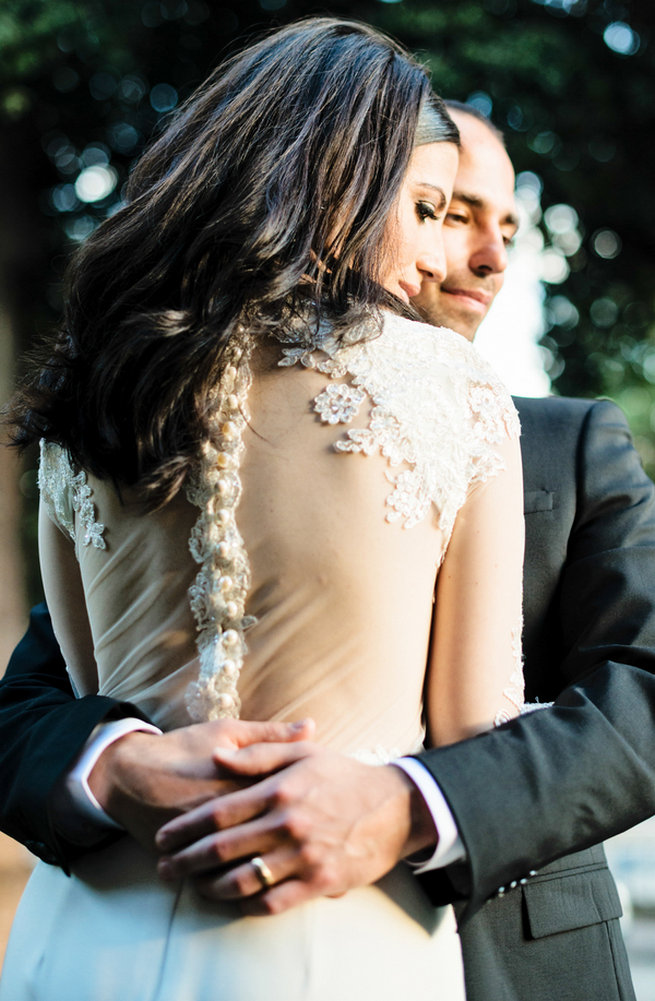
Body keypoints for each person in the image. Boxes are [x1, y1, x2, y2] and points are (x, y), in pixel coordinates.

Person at [0, 18, 528, 1001]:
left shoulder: (87, 390)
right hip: (336, 938)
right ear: (343, 186)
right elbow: (477, 730)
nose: (436, 250)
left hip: (84, 934)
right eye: (426, 207)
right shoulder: (452, 386)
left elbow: (80, 685)